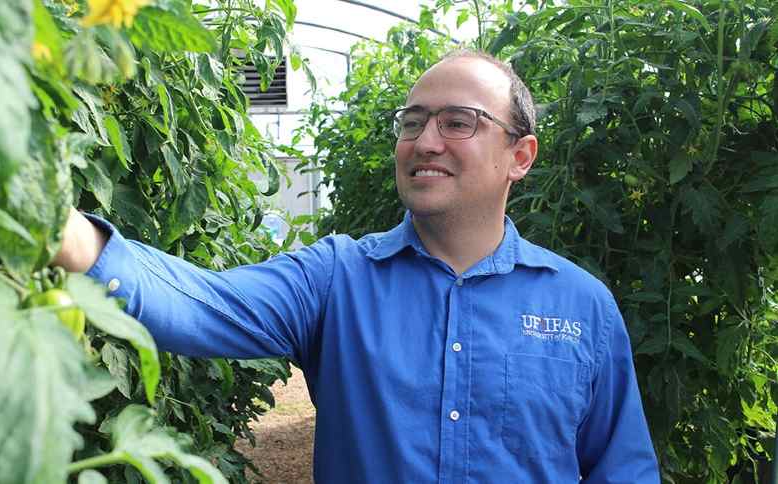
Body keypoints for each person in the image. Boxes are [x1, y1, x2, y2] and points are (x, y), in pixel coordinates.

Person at [54, 49, 660, 483]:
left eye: (458, 123)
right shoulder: (337, 278)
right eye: (413, 122)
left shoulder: (581, 306)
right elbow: (203, 303)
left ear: (519, 155)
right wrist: (65, 233)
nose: (425, 141)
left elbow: (621, 467)